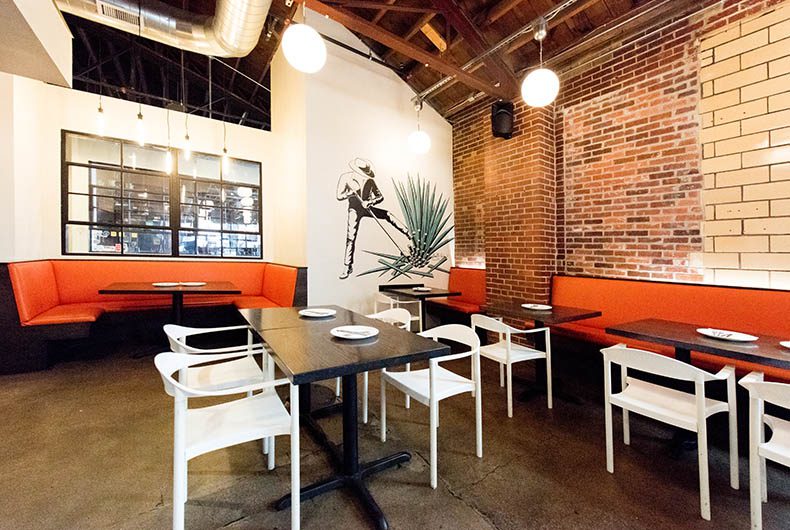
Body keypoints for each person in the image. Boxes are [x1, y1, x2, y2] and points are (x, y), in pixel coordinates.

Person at [336, 158, 409, 279]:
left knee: (387, 214)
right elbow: (339, 196)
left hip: (366, 207)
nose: (364, 176)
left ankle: (409, 233)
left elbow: (380, 197)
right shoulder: (346, 178)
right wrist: (351, 194)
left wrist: (370, 202)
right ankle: (347, 266)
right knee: (351, 237)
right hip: (354, 209)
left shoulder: (370, 181)